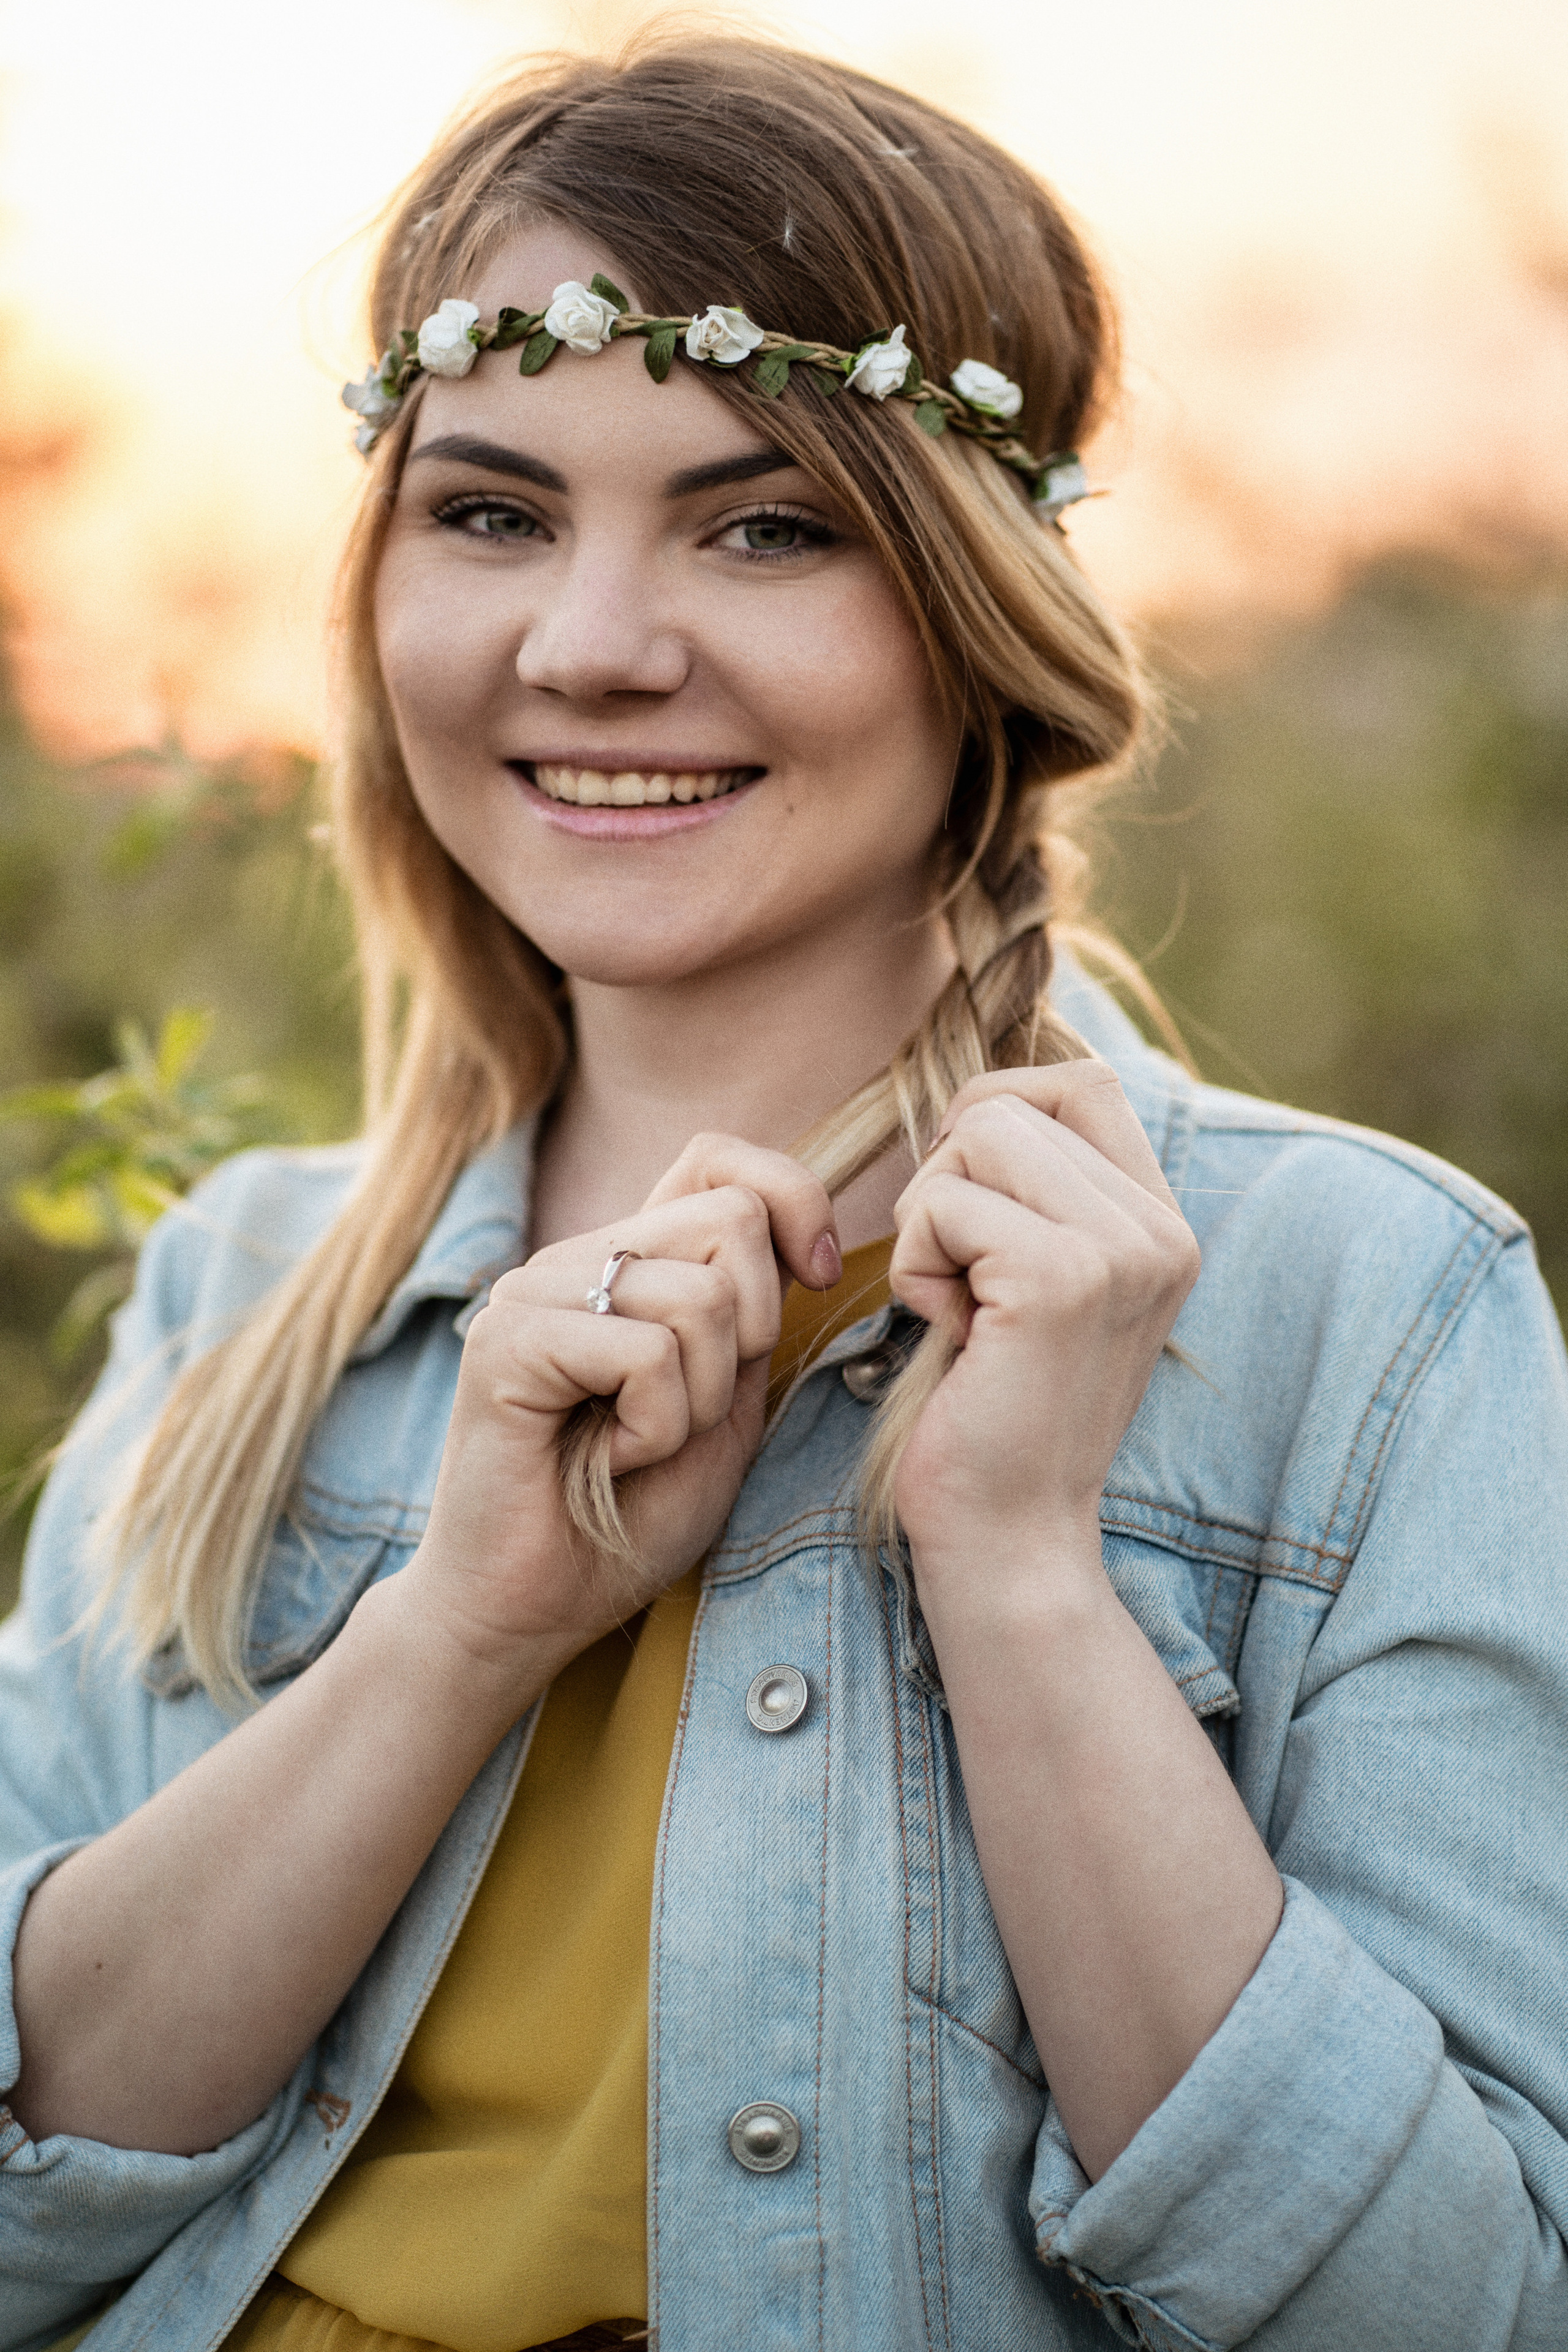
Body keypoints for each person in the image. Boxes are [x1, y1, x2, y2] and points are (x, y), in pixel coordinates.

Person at [3, 33, 1567, 2352]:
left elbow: (1464, 2311)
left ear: (975, 610)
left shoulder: (1375, 1303)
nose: (593, 645)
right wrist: (460, 1628)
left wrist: (1024, 1576)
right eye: (495, 511)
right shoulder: (241, 1292)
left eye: (768, 525)